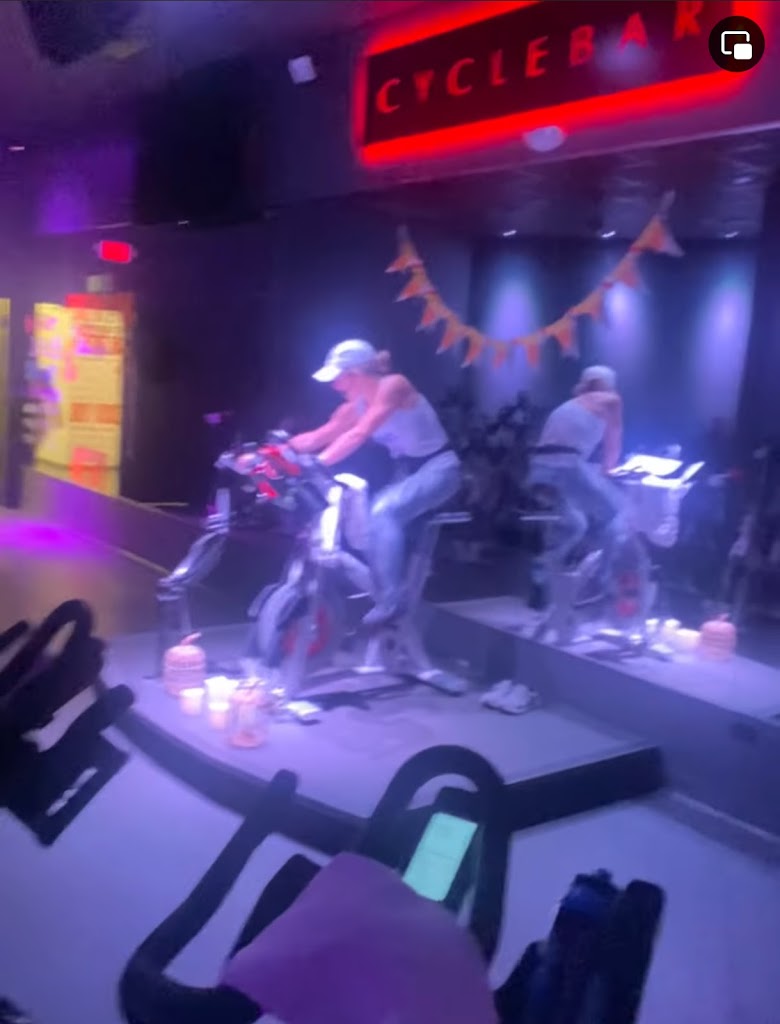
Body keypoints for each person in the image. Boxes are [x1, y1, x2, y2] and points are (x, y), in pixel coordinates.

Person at [288, 339, 461, 626]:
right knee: (363, 527)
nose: (334, 385)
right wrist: (274, 451)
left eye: (339, 377)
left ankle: (391, 601)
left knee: (383, 512)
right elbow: (317, 437)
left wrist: (319, 463)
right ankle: (384, 587)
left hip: (440, 468)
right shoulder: (354, 407)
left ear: (356, 373)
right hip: (407, 471)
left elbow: (358, 435)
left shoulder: (393, 386)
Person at [527, 365, 626, 608]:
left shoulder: (569, 405)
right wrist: (609, 471)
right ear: (608, 384)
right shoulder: (611, 400)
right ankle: (602, 581)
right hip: (567, 466)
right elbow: (613, 446)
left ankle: (541, 570)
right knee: (621, 513)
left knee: (575, 525)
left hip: (540, 467)